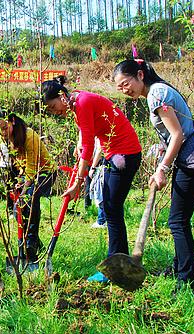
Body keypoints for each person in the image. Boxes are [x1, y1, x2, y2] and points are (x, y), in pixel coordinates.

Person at [113, 59, 194, 291]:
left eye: (126, 83)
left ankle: (185, 281)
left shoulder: (157, 95)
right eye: (120, 88)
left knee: (178, 222)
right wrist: (163, 150)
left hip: (192, 162)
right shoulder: (157, 93)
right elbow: (173, 134)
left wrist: (162, 168)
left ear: (140, 75)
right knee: (178, 219)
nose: (124, 90)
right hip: (190, 158)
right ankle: (179, 267)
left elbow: (178, 134)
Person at [41, 76, 142, 283]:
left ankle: (114, 268)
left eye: (53, 107)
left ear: (62, 96)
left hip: (124, 154)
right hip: (117, 153)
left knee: (112, 209)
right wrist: (79, 142)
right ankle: (119, 261)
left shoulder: (83, 102)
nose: (55, 112)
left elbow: (88, 145)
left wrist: (78, 183)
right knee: (112, 208)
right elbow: (85, 132)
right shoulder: (78, 101)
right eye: (50, 111)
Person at [0, 110, 57, 271]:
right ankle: (35, 241)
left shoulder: (30, 136)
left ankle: (30, 248)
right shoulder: (8, 139)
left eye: (4, 127)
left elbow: (32, 166)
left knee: (29, 199)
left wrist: (24, 189)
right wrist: (19, 182)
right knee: (17, 210)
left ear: (12, 121)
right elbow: (20, 166)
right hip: (28, 175)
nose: (2, 132)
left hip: (45, 172)